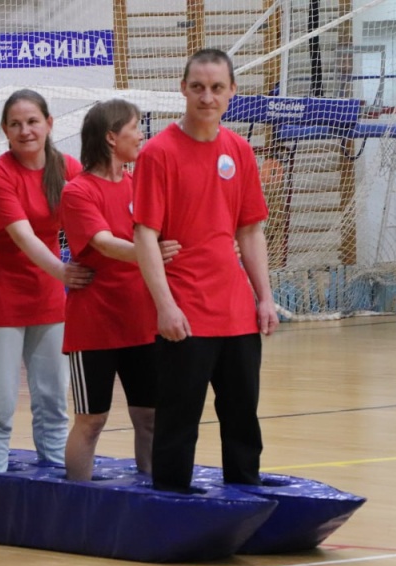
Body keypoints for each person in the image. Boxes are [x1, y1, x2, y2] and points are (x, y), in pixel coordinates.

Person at [132, 48, 279, 493]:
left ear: (232, 91)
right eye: (198, 87)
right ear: (183, 89)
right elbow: (144, 236)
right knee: (179, 417)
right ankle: (172, 506)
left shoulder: (239, 150)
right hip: (185, 311)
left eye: (217, 88)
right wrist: (165, 306)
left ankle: (247, 498)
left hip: (235, 312)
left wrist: (265, 297)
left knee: (242, 416)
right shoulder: (158, 153)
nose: (207, 97)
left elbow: (250, 232)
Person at [0, 89, 89, 473]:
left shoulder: (68, 168)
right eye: (15, 124)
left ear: (49, 124)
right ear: (4, 130)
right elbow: (24, 236)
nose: (25, 131)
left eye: (33, 121)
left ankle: (54, 473)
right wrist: (64, 273)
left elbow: (95, 219)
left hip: (48, 297)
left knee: (53, 398)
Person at [60, 99, 181, 482]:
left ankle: (154, 490)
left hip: (142, 320)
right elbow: (105, 243)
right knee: (92, 420)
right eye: (135, 127)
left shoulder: (139, 184)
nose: (142, 134)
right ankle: (77, 500)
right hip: (94, 324)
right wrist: (150, 254)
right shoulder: (78, 191)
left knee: (149, 416)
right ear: (112, 137)